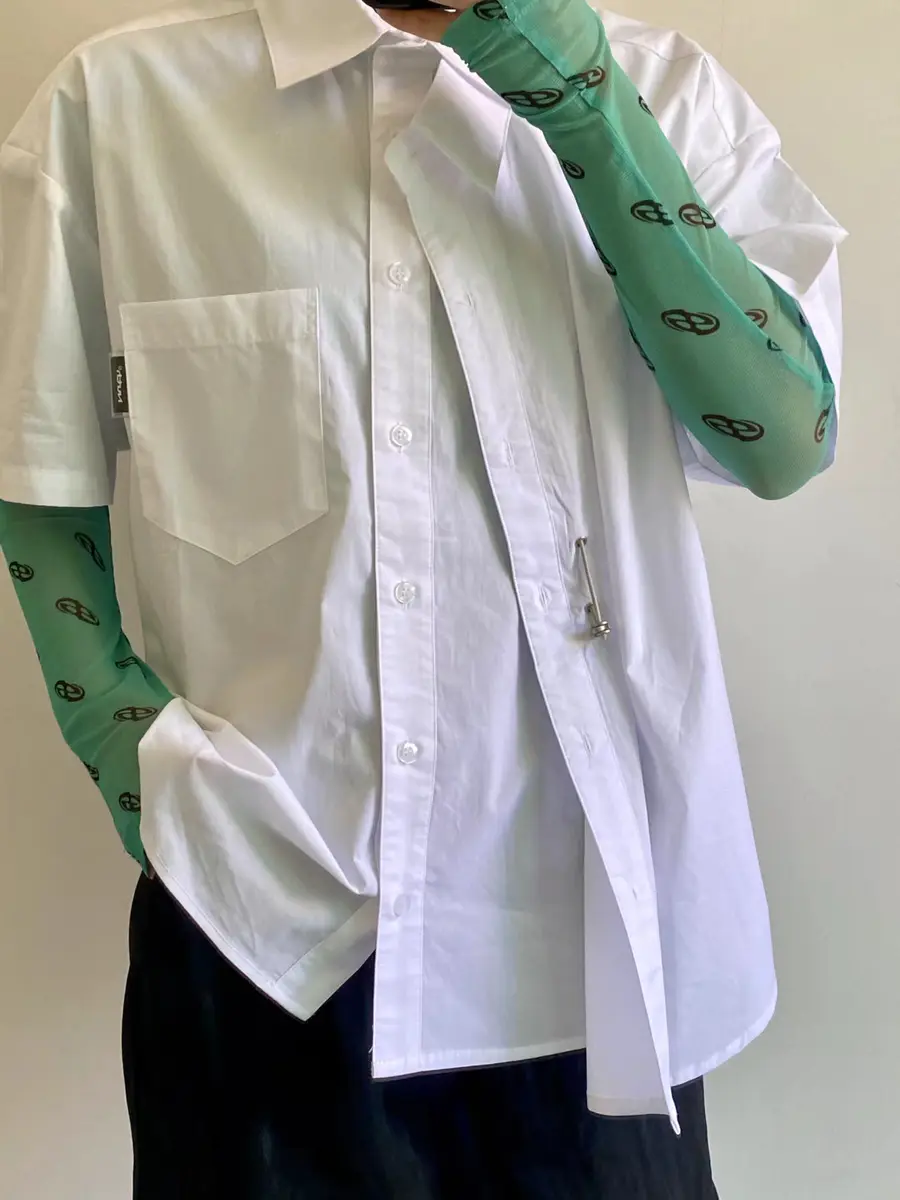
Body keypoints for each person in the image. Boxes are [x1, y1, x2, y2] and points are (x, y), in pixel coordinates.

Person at [0, 0, 846, 1195]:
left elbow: (785, 436)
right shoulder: (118, 109)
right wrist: (130, 753)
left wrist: (583, 104)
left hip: (600, 946)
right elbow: (35, 468)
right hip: (266, 915)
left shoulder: (665, 91)